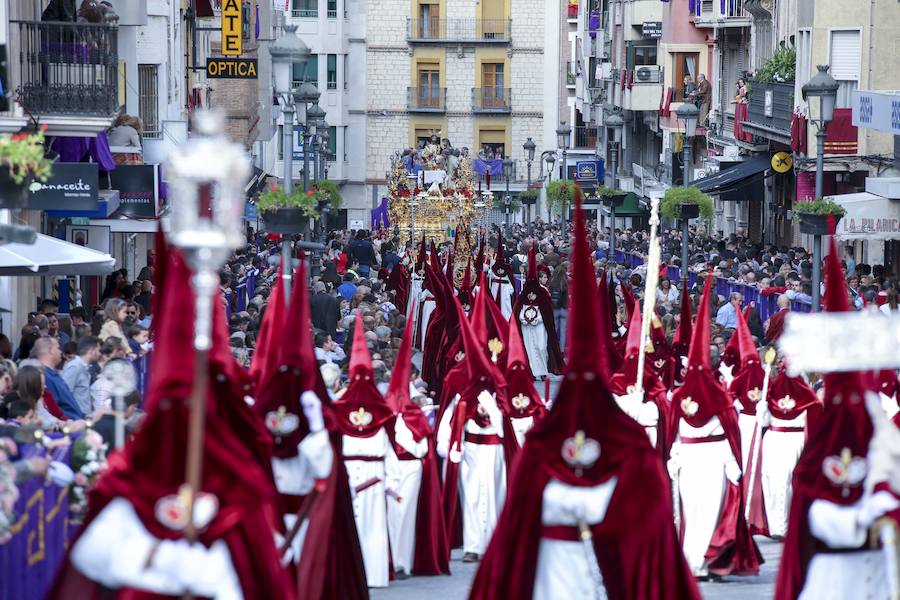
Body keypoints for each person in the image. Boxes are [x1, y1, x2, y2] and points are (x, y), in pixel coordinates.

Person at [469, 200, 701, 600]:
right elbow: (516, 536)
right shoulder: (545, 448)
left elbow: (652, 538)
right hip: (551, 575)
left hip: (610, 574)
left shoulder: (625, 449)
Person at [774, 237, 900, 600]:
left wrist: (884, 497)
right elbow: (813, 512)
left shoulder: (880, 437)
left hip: (875, 574)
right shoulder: (816, 457)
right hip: (829, 575)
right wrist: (865, 516)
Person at [668, 275, 761, 579]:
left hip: (689, 458)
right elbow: (731, 428)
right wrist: (734, 463)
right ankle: (707, 560)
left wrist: (672, 455)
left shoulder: (679, 396)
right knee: (710, 509)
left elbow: (671, 430)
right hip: (713, 459)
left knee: (691, 511)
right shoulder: (719, 394)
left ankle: (693, 561)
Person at [436, 294, 516, 564]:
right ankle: (472, 545)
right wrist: (447, 445)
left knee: (494, 496)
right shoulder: (462, 393)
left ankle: (495, 542)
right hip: (470, 448)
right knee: (470, 496)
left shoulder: (499, 391)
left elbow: (506, 423)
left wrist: (490, 404)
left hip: (493, 451)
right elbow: (450, 417)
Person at [332, 314, 397, 588]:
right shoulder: (344, 408)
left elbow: (387, 445)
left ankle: (372, 573)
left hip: (371, 473)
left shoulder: (348, 409)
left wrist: (392, 480)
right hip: (352, 472)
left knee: (371, 525)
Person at [383, 313, 448, 578]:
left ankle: (403, 560)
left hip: (409, 466)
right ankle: (389, 560)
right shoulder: (387, 408)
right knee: (389, 513)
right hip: (388, 466)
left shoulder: (415, 409)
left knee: (405, 511)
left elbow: (423, 445)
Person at [757, 365, 822, 539]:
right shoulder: (770, 394)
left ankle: (787, 525)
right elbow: (763, 422)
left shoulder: (808, 398)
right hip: (775, 439)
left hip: (794, 441)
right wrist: (761, 408)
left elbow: (814, 422)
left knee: (787, 484)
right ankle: (776, 526)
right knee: (771, 482)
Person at [511, 247, 563, 380]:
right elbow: (519, 307)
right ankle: (533, 371)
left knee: (541, 346)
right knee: (528, 347)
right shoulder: (524, 293)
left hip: (540, 324)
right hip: (526, 325)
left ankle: (543, 369)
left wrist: (538, 319)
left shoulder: (544, 292)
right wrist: (523, 319)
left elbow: (547, 310)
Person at [33, 336, 85, 420]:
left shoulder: (52, 375)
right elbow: (53, 409)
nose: (60, 352)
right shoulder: (44, 377)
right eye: (58, 348)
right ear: (50, 350)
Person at [61, 336, 101, 417]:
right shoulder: (75, 367)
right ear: (91, 351)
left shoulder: (84, 367)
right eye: (98, 350)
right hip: (76, 418)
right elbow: (64, 395)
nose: (100, 354)